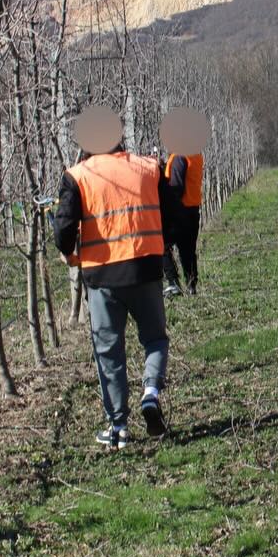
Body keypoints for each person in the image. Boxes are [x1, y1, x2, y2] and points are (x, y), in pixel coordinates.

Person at [54, 132, 180, 449]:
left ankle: (118, 427)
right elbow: (172, 215)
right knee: (155, 338)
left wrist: (69, 254)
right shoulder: (150, 167)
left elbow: (64, 231)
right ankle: (151, 392)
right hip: (146, 270)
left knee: (109, 352)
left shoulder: (78, 175)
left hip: (101, 276)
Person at [162, 150, 203, 295]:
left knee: (162, 245)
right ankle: (191, 285)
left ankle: (173, 283)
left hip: (179, 211)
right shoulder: (196, 155)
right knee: (188, 251)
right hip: (193, 210)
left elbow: (176, 187)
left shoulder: (180, 156)